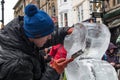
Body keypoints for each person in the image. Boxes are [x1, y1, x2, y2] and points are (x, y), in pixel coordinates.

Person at [0, 4, 73, 80]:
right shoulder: (17, 65)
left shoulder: (20, 36)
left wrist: (65, 32)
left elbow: (47, 38)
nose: (50, 37)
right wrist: (54, 72)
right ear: (36, 36)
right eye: (47, 35)